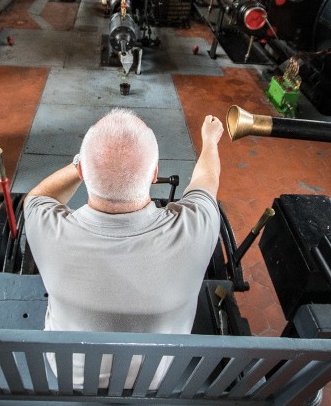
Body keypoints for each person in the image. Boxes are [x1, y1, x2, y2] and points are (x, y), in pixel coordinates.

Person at [24, 108, 223, 388]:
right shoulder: (197, 228)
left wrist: (84, 164)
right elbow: (206, 180)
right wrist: (210, 140)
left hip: (68, 374)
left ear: (82, 171)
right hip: (154, 379)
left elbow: (38, 197)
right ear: (155, 174)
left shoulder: (44, 228)